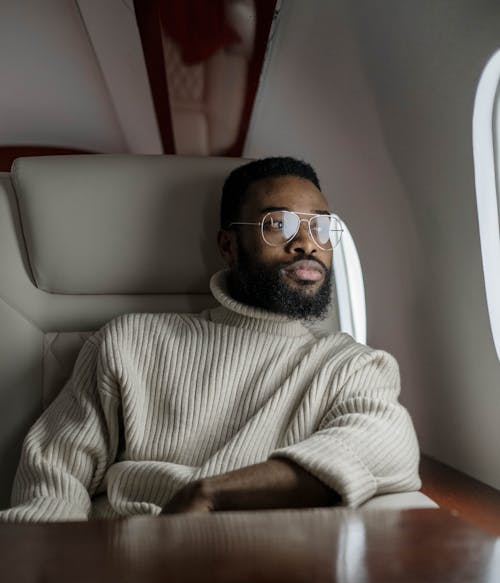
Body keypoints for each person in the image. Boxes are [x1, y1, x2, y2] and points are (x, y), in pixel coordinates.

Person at [1, 156, 421, 522]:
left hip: (268, 572)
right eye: (280, 224)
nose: (306, 243)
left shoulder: (349, 365)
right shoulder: (130, 342)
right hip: (128, 557)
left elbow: (387, 445)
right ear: (228, 245)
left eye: (321, 227)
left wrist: (209, 494)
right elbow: (54, 474)